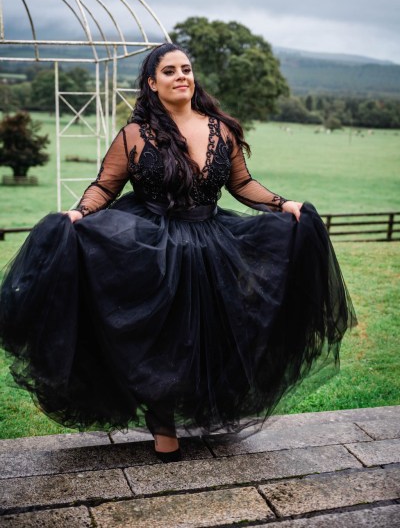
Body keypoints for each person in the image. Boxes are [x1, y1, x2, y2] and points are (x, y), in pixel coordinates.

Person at [0, 43, 356, 463]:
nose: (181, 76)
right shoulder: (134, 135)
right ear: (152, 83)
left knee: (211, 333)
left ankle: (198, 407)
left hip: (212, 243)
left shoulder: (219, 129)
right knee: (160, 339)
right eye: (169, 71)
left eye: (186, 69)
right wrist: (78, 212)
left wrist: (283, 204)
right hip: (151, 246)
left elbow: (242, 184)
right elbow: (106, 186)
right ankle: (163, 420)